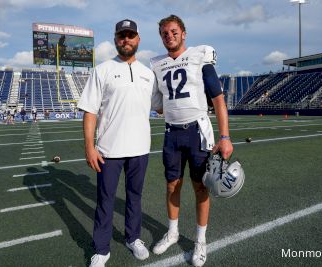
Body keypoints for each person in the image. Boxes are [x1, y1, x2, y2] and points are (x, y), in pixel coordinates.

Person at [150, 15, 234, 267]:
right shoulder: (156, 63)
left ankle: (200, 240)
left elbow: (218, 99)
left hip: (198, 131)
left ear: (183, 33)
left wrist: (225, 136)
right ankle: (173, 232)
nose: (169, 36)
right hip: (171, 132)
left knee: (200, 187)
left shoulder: (200, 56)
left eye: (174, 32)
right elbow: (159, 106)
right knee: (172, 185)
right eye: (165, 33)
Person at [78, 19, 156, 267]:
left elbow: (162, 107)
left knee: (135, 197)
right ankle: (101, 249)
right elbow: (90, 111)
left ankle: (133, 238)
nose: (126, 40)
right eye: (122, 36)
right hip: (108, 151)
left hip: (140, 149)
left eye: (130, 35)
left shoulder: (147, 74)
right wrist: (90, 146)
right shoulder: (102, 70)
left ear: (138, 39)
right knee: (105, 200)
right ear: (115, 39)